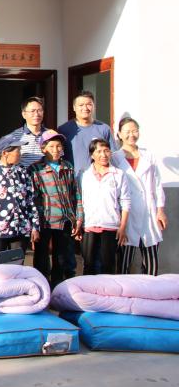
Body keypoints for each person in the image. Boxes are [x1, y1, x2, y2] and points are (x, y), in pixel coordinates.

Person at [112, 117, 168, 275]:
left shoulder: (148, 156)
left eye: (135, 131)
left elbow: (157, 184)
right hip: (126, 213)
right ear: (119, 134)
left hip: (148, 211)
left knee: (151, 261)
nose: (131, 134)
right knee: (124, 261)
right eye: (127, 131)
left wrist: (160, 210)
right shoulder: (115, 158)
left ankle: (150, 288)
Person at [30, 130, 84, 287]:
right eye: (51, 146)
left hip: (65, 220)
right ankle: (42, 288)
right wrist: (34, 224)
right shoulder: (36, 169)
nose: (55, 150)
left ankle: (59, 288)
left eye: (58, 146)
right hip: (44, 220)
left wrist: (78, 218)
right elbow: (32, 198)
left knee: (62, 257)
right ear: (43, 148)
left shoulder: (67, 167)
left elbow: (76, 194)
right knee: (41, 258)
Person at [79, 138, 131, 275]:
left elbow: (125, 201)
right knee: (88, 265)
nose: (103, 155)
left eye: (107, 151)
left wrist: (122, 227)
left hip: (111, 225)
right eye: (99, 151)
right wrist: (79, 223)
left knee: (108, 265)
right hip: (89, 224)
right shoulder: (84, 174)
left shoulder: (118, 174)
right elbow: (79, 199)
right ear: (92, 155)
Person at [0, 135, 40, 254]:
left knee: (17, 264)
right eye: (18, 151)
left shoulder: (22, 171)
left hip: (21, 228)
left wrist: (35, 227)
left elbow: (30, 200)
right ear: (5, 153)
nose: (20, 154)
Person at [58, 91, 117, 173]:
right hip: (73, 178)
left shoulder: (104, 129)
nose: (85, 108)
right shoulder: (64, 130)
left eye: (89, 104)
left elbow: (113, 156)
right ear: (74, 107)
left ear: (94, 106)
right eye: (81, 105)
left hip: (99, 177)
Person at [2, 97, 52, 168]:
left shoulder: (51, 134)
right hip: (23, 174)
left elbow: (59, 158)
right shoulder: (15, 136)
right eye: (32, 111)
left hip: (46, 174)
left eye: (40, 110)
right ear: (24, 114)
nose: (36, 114)